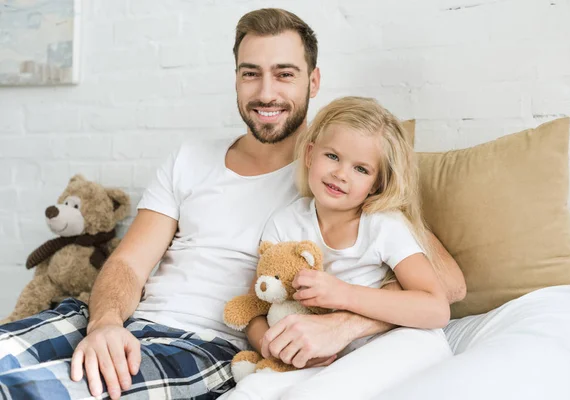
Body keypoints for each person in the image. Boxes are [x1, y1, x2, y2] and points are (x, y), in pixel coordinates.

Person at [0, 8, 465, 400]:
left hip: (205, 346)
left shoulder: (336, 177)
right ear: (237, 79)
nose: (266, 93)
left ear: (314, 80)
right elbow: (127, 264)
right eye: (251, 74)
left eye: (285, 74)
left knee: (43, 391)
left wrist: (343, 324)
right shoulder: (189, 159)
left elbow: (446, 287)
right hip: (113, 322)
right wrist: (103, 322)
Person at [224, 96, 454, 400]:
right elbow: (260, 302)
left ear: (376, 184)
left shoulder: (383, 225)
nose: (341, 174)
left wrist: (344, 294)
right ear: (309, 155)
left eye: (361, 169)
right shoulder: (286, 223)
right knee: (248, 391)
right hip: (327, 358)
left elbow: (436, 308)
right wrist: (273, 344)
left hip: (400, 342)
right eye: (332, 156)